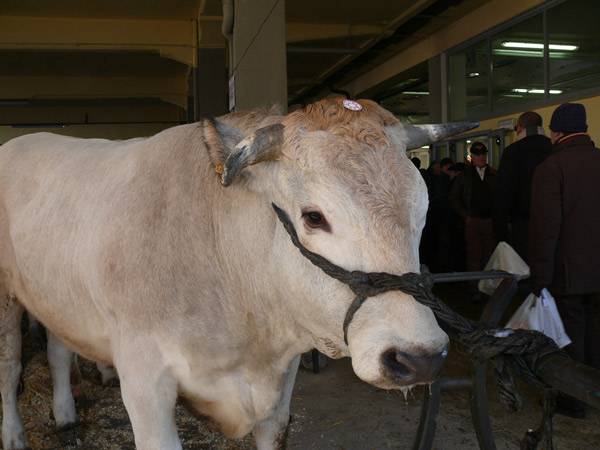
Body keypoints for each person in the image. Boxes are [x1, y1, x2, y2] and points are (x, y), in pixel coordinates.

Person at [529, 103, 600, 418]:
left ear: (556, 131)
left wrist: (539, 279)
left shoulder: (551, 168)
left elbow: (546, 230)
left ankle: (574, 400)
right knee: (596, 332)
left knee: (571, 336)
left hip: (568, 272)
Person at [493, 111, 552, 263]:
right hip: (551, 220)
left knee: (524, 266)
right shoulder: (553, 149)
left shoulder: (513, 152)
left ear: (519, 128)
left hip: (522, 224)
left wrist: (500, 231)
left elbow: (504, 193)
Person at [449, 142, 496, 298]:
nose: (481, 158)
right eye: (477, 155)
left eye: (483, 155)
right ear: (472, 157)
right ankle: (475, 289)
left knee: (488, 256)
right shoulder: (464, 177)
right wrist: (466, 217)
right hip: (473, 221)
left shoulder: (494, 175)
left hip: (489, 221)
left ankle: (486, 288)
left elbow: (501, 198)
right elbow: (454, 198)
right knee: (474, 257)